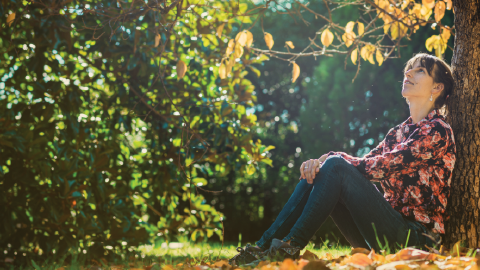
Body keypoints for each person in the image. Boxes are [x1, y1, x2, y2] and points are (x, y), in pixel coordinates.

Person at [228, 53, 456, 266]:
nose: (407, 74)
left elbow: (381, 167)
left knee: (335, 166)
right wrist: (323, 163)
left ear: (437, 87)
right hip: (385, 232)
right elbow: (359, 168)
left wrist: (331, 158)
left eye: (419, 71)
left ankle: (289, 248)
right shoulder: (398, 133)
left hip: (417, 240)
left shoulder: (438, 131)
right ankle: (263, 248)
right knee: (328, 172)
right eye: (408, 69)